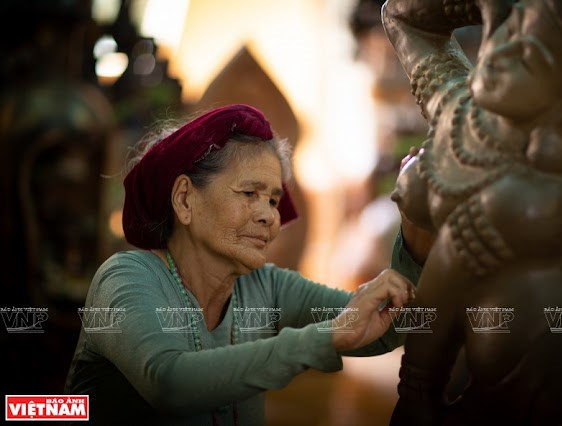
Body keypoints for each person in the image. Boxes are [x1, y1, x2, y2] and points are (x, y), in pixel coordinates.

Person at [64, 103, 430, 425]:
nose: (269, 217)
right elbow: (169, 383)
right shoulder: (127, 279)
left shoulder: (265, 288)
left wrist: (415, 228)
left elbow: (383, 329)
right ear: (185, 200)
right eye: (250, 194)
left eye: (272, 200)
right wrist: (327, 335)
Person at [382, 0, 562, 424]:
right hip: (495, 376)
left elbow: (443, 288)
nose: (495, 52)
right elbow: (399, 16)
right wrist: (494, 7)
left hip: (559, 377)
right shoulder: (461, 111)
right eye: (506, 30)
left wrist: (416, 390)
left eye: (528, 56)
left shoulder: (533, 192)